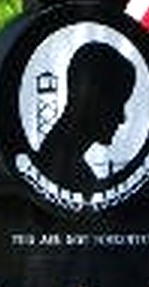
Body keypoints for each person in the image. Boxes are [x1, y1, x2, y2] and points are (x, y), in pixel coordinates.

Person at [33, 42, 135, 191]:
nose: (122, 118)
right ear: (91, 97)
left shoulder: (60, 165)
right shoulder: (66, 175)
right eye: (117, 103)